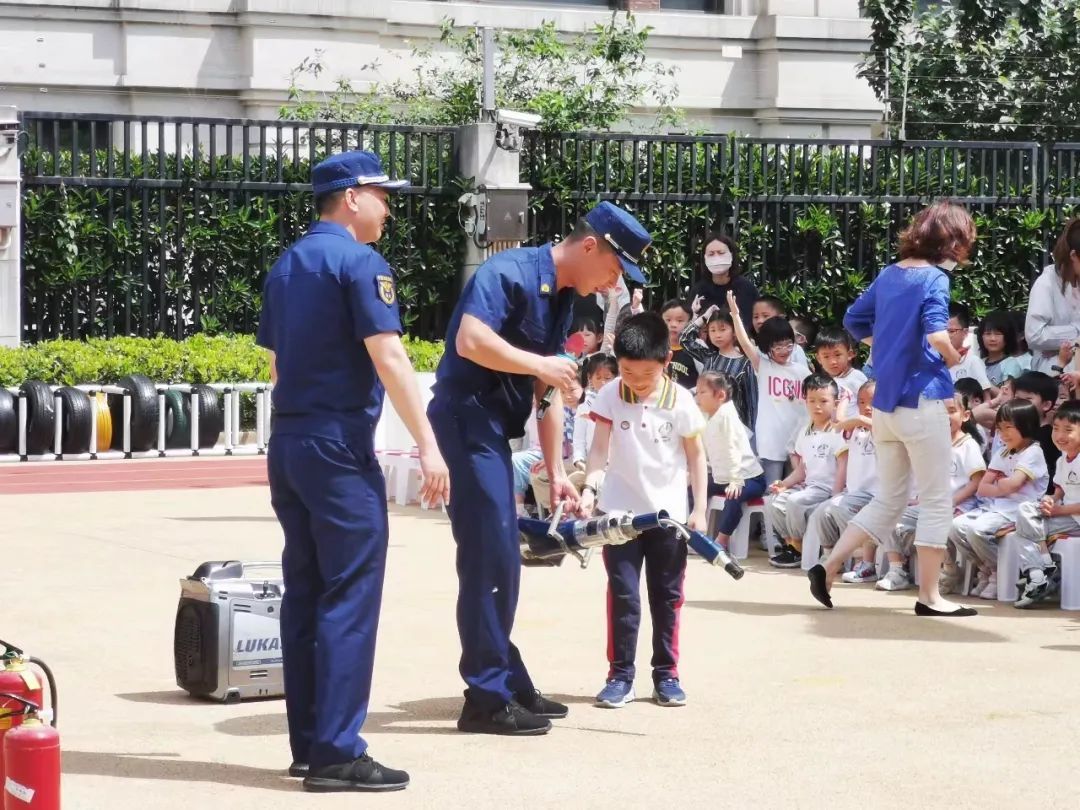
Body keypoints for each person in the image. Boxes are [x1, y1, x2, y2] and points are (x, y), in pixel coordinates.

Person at [256, 150, 451, 793]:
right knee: (349, 594)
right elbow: (389, 357)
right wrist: (428, 445)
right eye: (381, 195)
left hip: (290, 440)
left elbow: (277, 366)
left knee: (306, 591)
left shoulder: (287, 265)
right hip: (339, 445)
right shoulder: (361, 263)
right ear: (351, 198)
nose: (387, 208)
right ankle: (339, 750)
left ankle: (310, 745)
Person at [428, 201, 651, 736]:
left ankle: (505, 678)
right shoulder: (508, 272)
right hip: (465, 418)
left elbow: (547, 392)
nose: (614, 283)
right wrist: (541, 365)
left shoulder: (565, 297)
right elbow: (470, 340)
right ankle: (486, 697)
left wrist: (555, 474)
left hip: (493, 427)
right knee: (492, 558)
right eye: (615, 269)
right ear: (590, 246)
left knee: (501, 555)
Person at [808, 200, 975, 617]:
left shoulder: (889, 273)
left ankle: (829, 564)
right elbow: (938, 334)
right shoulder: (935, 277)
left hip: (885, 407)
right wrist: (954, 358)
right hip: (922, 402)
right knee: (936, 499)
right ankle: (930, 597)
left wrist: (885, 346)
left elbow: (853, 319)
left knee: (889, 498)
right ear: (952, 241)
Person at [580, 312, 708, 709]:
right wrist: (589, 488)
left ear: (667, 361)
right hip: (618, 513)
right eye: (627, 371)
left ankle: (666, 674)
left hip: (668, 516)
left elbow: (696, 456)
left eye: (646, 373)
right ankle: (620, 676)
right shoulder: (610, 394)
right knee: (623, 594)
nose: (636, 381)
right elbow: (598, 449)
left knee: (667, 596)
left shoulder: (681, 400)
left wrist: (700, 510)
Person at [880, 392, 985, 593]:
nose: (945, 417)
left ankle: (949, 569)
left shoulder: (968, 445)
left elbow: (977, 481)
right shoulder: (932, 444)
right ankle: (897, 569)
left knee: (934, 524)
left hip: (960, 505)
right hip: (930, 504)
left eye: (951, 411)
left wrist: (952, 501)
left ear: (965, 416)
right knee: (891, 516)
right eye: (939, 411)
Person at [950, 400, 1049, 600]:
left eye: (1008, 428)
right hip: (997, 508)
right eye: (1000, 428)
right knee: (955, 527)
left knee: (977, 530)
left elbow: (1013, 484)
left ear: (1026, 426)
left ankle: (1001, 573)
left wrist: (1002, 485)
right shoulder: (1002, 452)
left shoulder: (1033, 452)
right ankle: (987, 569)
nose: (1003, 434)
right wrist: (1003, 486)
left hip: (1020, 511)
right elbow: (983, 488)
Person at [728, 291, 811, 485]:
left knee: (798, 487)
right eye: (777, 347)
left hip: (798, 442)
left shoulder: (802, 372)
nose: (784, 351)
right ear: (767, 347)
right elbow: (744, 343)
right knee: (771, 489)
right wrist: (735, 315)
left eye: (788, 345)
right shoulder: (763, 366)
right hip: (770, 441)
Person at [765, 374, 846, 568]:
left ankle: (798, 547)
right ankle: (792, 545)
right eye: (812, 401)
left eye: (823, 401)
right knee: (773, 501)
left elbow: (843, 465)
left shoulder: (839, 431)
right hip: (809, 487)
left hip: (826, 489)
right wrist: (784, 484)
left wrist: (836, 494)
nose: (817, 406)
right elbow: (802, 468)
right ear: (805, 401)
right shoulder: (805, 432)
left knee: (795, 501)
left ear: (835, 403)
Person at [1010, 399, 1080, 608]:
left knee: (1024, 530)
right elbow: (1060, 488)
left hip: (1074, 518)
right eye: (1056, 429)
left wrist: (1058, 510)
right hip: (1066, 515)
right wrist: (1051, 500)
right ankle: (1041, 570)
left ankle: (1039, 573)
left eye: (1068, 430)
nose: (1060, 435)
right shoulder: (1062, 459)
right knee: (1025, 513)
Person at [696, 370, 767, 552]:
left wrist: (736, 480)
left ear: (720, 395)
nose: (698, 396)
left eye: (702, 392)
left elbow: (733, 449)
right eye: (697, 392)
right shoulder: (706, 415)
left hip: (749, 478)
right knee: (694, 487)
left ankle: (721, 541)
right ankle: (692, 533)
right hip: (722, 477)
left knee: (733, 496)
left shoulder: (727, 415)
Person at [681, 305, 756, 429]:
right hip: (705, 422)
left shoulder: (745, 364)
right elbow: (684, 339)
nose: (717, 335)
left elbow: (751, 403)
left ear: (734, 331)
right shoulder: (709, 357)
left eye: (722, 329)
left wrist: (749, 432)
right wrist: (703, 318)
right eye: (712, 330)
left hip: (732, 426)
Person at [1025, 218, 1080, 374]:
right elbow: (1034, 335)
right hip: (1053, 370)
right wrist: (1076, 333)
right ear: (1074, 255)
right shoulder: (1046, 284)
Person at [689, 233, 758, 331]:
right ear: (705, 258)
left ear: (731, 255)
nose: (716, 258)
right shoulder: (699, 290)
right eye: (711, 254)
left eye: (721, 253)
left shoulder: (746, 288)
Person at [572, 353, 618, 469]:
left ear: (616, 377)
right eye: (598, 378)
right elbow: (579, 438)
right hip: (591, 463)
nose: (603, 382)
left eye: (607, 378)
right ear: (590, 378)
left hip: (616, 465)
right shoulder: (585, 404)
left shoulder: (622, 403)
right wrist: (579, 459)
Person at [948, 302, 992, 396]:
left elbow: (986, 399)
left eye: (951, 331)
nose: (945, 336)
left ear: (965, 332)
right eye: (940, 331)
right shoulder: (929, 361)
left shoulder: (972, 361)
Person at [977, 310, 1023, 389]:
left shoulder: (1011, 364)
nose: (992, 338)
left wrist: (984, 383)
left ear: (1008, 336)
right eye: (988, 334)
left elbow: (1007, 395)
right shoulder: (979, 363)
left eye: (998, 334)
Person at [660, 299, 700, 389]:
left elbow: (706, 377)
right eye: (668, 320)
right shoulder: (655, 346)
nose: (673, 325)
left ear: (689, 323)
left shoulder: (696, 348)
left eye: (679, 320)